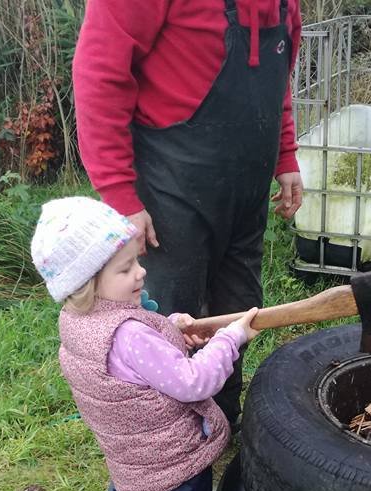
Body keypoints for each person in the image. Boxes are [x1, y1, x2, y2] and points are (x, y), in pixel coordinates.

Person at [31, 196, 260, 491]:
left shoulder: (79, 321)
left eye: (136, 262)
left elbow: (139, 351)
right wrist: (230, 339)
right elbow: (194, 381)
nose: (140, 273)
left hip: (131, 467)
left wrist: (173, 329)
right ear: (85, 284)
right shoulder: (128, 336)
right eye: (124, 269)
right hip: (169, 471)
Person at [73, 0, 303, 427]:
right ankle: (168, 440)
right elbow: (99, 75)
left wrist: (285, 156)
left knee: (240, 308)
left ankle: (221, 420)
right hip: (171, 186)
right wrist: (121, 195)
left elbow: (276, 83)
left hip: (245, 191)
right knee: (169, 321)